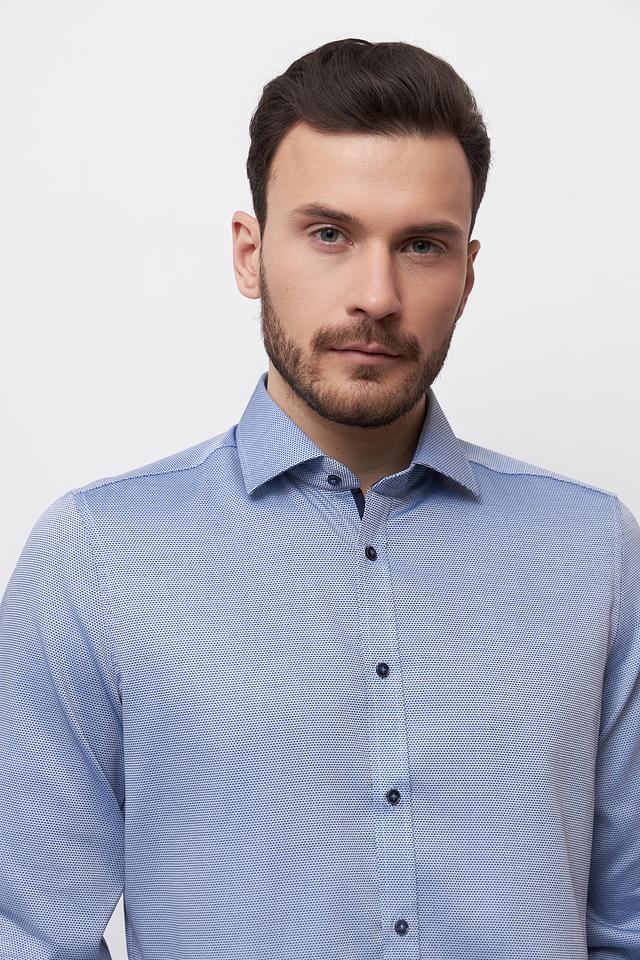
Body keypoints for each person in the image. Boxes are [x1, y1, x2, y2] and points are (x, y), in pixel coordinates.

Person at [1, 36, 638, 960]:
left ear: (466, 275)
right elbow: (27, 932)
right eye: (330, 234)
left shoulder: (594, 551)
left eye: (421, 245)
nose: (376, 296)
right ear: (250, 254)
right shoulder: (98, 556)